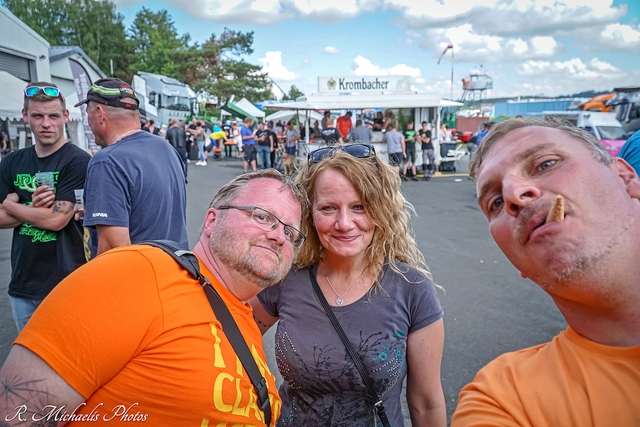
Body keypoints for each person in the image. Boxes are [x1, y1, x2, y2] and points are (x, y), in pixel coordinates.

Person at [0, 169, 309, 426]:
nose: (278, 235)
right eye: (262, 216)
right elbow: (18, 410)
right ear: (213, 221)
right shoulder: (140, 272)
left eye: (290, 232)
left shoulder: (245, 321)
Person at [452, 118, 640, 426]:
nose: (513, 193)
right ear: (518, 262)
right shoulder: (505, 400)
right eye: (496, 201)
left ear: (625, 176)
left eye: (545, 164)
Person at [251, 144, 446, 426]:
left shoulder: (412, 289)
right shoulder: (285, 280)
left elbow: (426, 404)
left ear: (381, 210)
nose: (344, 223)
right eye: (328, 208)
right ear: (310, 213)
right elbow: (231, 342)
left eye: (359, 207)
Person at [0, 82, 90, 332]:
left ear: (65, 116)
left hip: (65, 282)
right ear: (25, 116)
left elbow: (55, 221)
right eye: (38, 116)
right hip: (22, 285)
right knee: (27, 364)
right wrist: (36, 210)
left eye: (53, 116)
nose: (46, 123)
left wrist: (12, 205)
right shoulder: (12, 161)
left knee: (67, 363)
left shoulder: (77, 161)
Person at [75, 78, 188, 255]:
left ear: (99, 113)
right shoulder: (165, 148)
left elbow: (114, 251)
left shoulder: (107, 161)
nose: (87, 121)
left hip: (138, 278)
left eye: (87, 112)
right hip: (173, 272)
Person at [166, 118, 188, 183]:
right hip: (182, 148)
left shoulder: (169, 131)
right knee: (184, 163)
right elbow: (186, 139)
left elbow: (167, 141)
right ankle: (184, 177)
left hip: (173, 149)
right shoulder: (182, 130)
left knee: (173, 163)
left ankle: (175, 178)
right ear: (177, 123)